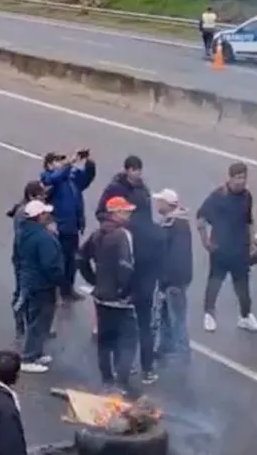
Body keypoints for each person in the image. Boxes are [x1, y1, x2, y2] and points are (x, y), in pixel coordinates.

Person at [95, 156, 161, 384]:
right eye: (135, 171)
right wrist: (123, 289)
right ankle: (119, 376)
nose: (138, 175)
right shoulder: (116, 234)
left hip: (132, 281)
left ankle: (144, 368)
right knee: (122, 332)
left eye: (140, 171)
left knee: (141, 324)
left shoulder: (143, 191)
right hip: (119, 292)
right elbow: (99, 214)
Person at [78, 196, 139, 393]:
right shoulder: (122, 235)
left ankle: (107, 381)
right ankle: (122, 382)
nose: (129, 214)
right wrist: (125, 291)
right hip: (119, 300)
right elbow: (127, 266)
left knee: (105, 341)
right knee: (127, 340)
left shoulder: (97, 234)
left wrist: (92, 279)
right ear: (116, 213)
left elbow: (81, 257)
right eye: (126, 211)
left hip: (101, 297)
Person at [197, 162, 257, 334]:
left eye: (244, 177)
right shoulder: (219, 196)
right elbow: (201, 218)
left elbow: (249, 221)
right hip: (221, 248)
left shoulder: (247, 196)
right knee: (215, 281)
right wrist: (206, 242)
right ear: (230, 177)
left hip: (240, 248)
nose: (241, 181)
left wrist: (253, 242)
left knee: (243, 285)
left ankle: (245, 316)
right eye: (238, 178)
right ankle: (209, 314)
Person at [13, 200, 64, 373]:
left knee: (37, 319)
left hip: (31, 282)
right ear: (38, 217)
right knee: (39, 322)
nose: (48, 216)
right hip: (42, 285)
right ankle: (28, 357)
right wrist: (60, 280)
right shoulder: (42, 238)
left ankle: (36, 352)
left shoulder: (24, 232)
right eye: (45, 214)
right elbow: (50, 265)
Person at [39, 150, 96, 300]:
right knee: (59, 260)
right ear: (50, 164)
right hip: (58, 226)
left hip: (72, 225)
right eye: (58, 160)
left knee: (72, 259)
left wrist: (89, 163)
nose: (62, 162)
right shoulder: (47, 178)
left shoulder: (71, 178)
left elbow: (86, 179)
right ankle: (54, 289)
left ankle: (67, 289)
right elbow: (54, 178)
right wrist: (69, 164)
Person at [152, 189, 193, 366]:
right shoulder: (176, 223)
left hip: (173, 280)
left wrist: (165, 280)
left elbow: (172, 256)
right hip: (173, 279)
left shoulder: (173, 225)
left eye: (160, 201)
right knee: (166, 315)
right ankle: (166, 347)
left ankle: (182, 353)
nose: (157, 204)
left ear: (168, 205)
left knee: (177, 318)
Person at [6, 181, 48, 345]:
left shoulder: (26, 210)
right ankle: (20, 326)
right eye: (40, 196)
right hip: (23, 259)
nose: (43, 199)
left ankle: (29, 326)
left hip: (25, 258)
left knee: (28, 292)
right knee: (23, 293)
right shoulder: (24, 215)